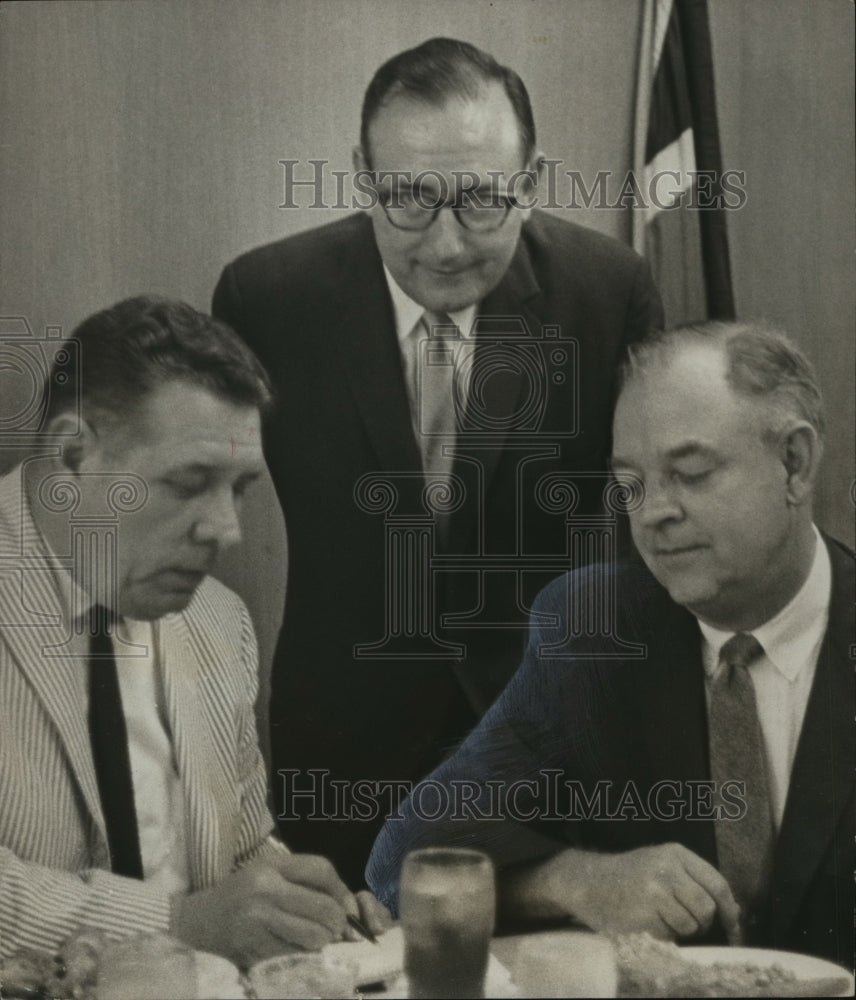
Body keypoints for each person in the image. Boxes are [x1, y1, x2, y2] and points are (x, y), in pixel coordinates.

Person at [212, 36, 664, 886]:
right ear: (362, 178)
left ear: (529, 185)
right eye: (409, 203)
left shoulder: (607, 293)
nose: (448, 246)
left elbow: (649, 532)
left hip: (543, 742)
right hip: (344, 749)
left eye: (482, 203)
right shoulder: (267, 300)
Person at [366, 321, 854, 968]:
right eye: (630, 485)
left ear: (794, 463)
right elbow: (404, 860)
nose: (653, 512)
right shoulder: (593, 631)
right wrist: (579, 881)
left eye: (691, 472)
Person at [0, 296, 387, 965]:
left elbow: (237, 849)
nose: (227, 530)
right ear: (71, 456)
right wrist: (177, 923)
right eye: (190, 482)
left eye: (239, 488)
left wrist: (305, 908)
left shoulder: (218, 619)